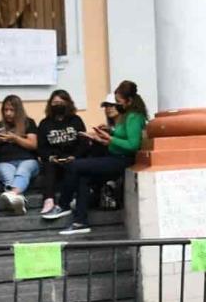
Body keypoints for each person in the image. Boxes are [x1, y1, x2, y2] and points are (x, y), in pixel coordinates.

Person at [46, 81, 148, 235]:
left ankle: (63, 205)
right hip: (115, 156)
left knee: (74, 166)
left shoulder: (134, 116)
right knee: (83, 177)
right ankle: (80, 221)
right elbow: (122, 137)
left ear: (129, 101)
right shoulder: (127, 116)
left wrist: (110, 139)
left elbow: (133, 145)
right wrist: (105, 136)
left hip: (122, 160)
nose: (117, 105)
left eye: (119, 102)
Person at [36, 89, 86, 216]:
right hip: (54, 161)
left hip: (73, 159)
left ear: (68, 103)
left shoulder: (76, 120)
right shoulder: (44, 123)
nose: (58, 105)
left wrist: (74, 156)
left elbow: (83, 142)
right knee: (49, 166)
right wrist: (50, 157)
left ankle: (75, 198)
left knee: (77, 168)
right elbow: (41, 147)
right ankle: (49, 200)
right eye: (55, 102)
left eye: (61, 102)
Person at [0, 94, 39, 215]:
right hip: (4, 161)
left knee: (23, 171)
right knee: (7, 175)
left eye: (12, 110)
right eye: (5, 110)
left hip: (27, 160)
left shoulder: (29, 123)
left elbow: (33, 144)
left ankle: (13, 194)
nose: (8, 113)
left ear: (19, 111)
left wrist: (15, 138)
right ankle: (18, 199)